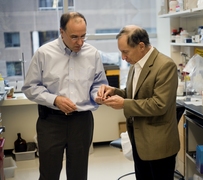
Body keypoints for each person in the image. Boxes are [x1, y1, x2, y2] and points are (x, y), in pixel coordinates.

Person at [22, 12, 108, 180]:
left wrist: (97, 94)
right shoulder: (44, 54)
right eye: (74, 37)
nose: (80, 42)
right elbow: (30, 87)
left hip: (82, 121)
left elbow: (98, 83)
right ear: (61, 32)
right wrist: (54, 99)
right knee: (49, 173)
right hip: (52, 122)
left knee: (78, 173)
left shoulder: (93, 54)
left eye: (84, 36)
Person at [96, 25, 180, 180]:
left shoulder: (165, 65)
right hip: (139, 141)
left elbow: (159, 104)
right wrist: (114, 91)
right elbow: (133, 95)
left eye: (125, 51)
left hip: (158, 144)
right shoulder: (136, 65)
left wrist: (124, 104)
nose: (123, 57)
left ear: (141, 46)